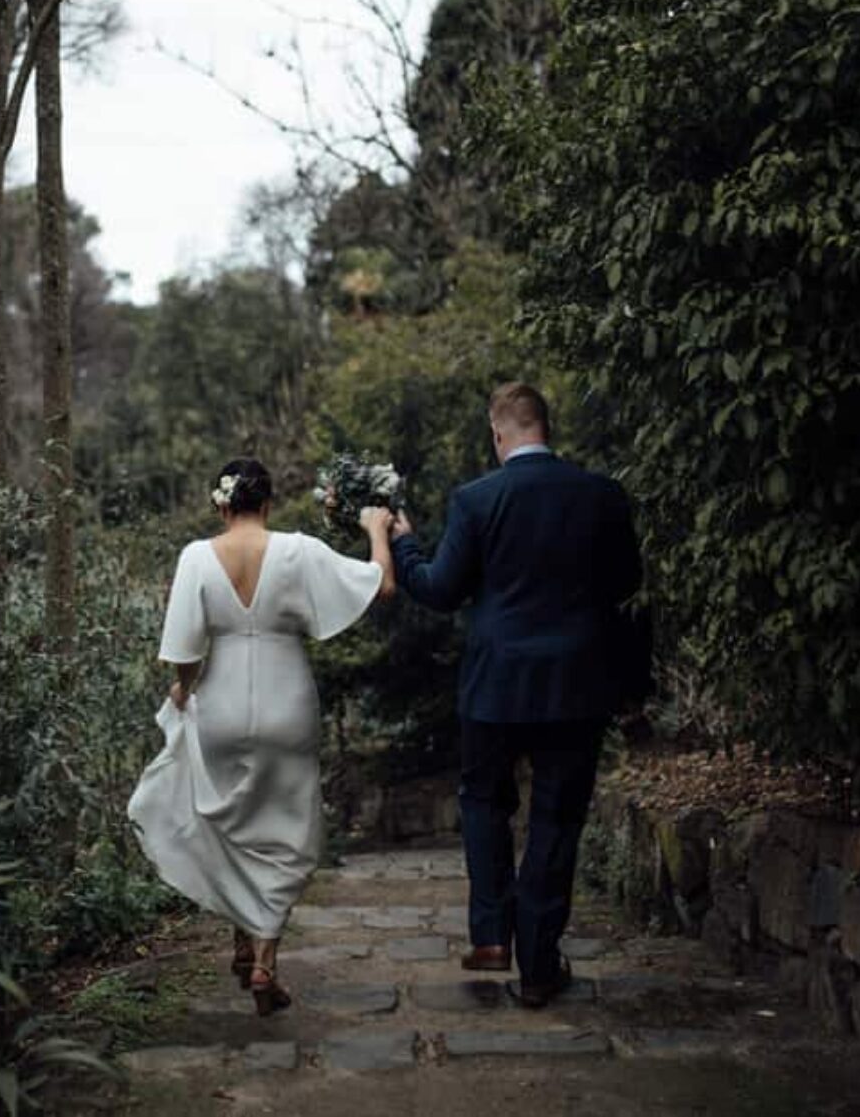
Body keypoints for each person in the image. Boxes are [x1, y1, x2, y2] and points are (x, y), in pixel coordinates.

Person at [390, 382, 649, 1008]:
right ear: (545, 427)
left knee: (483, 803)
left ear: (498, 432)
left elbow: (439, 588)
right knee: (558, 819)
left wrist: (403, 540)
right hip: (576, 684)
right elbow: (629, 591)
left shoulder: (477, 500)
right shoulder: (602, 496)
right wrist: (629, 681)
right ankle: (537, 962)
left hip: (494, 685)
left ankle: (490, 937)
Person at [127, 457, 397, 1015]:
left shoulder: (197, 556)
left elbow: (181, 654)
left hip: (221, 706)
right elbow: (381, 585)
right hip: (287, 703)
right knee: (287, 836)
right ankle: (264, 959)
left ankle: (242, 939)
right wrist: (375, 531)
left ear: (221, 504)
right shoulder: (299, 552)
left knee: (230, 825)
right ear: (268, 504)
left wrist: (184, 692)